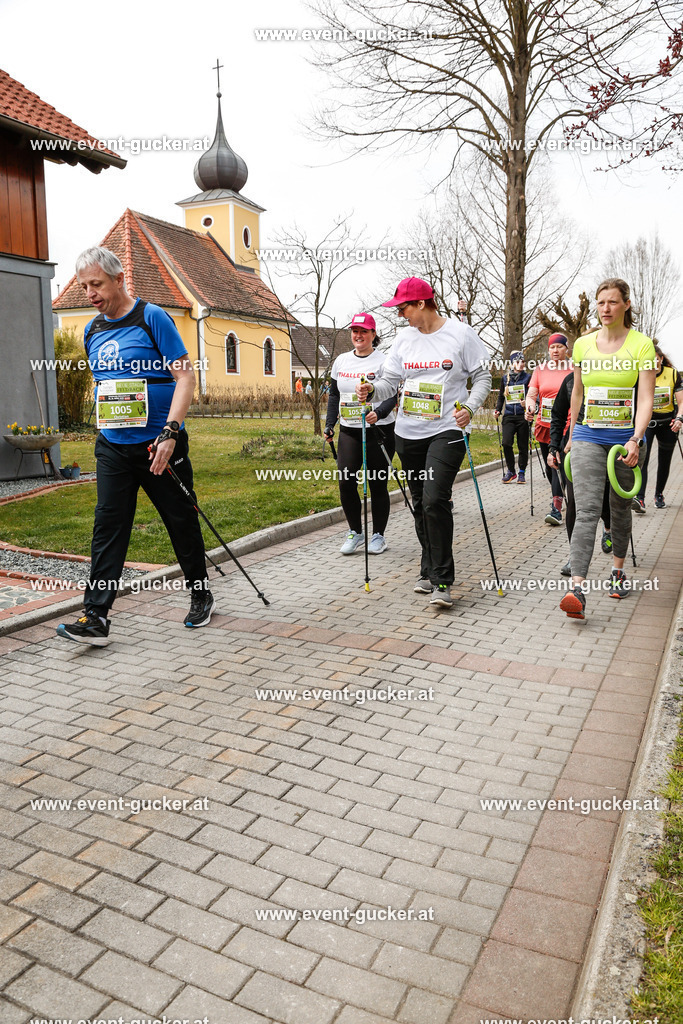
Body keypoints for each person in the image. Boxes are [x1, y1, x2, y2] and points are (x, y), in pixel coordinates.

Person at [56, 247, 214, 646]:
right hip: (113, 445)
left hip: (158, 445)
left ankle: (200, 592)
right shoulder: (93, 330)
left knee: (180, 518)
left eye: (96, 284)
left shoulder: (151, 317)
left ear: (118, 279)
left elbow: (185, 378)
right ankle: (96, 616)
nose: (89, 292)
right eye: (84, 286)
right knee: (108, 525)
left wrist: (171, 432)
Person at [356, 277, 491, 608]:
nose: (401, 315)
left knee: (434, 499)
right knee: (419, 502)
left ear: (421, 304)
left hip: (447, 429)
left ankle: (443, 580)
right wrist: (372, 391)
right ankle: (428, 568)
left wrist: (470, 408)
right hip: (408, 434)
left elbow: (483, 375)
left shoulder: (460, 334)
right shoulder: (404, 339)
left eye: (403, 308)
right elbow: (389, 381)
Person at [560, 278, 656, 620]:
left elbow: (645, 397)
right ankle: (577, 588)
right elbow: (577, 393)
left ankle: (617, 571)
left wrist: (636, 438)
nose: (605, 309)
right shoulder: (583, 345)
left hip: (625, 439)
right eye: (601, 302)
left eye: (613, 302)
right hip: (588, 435)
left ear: (626, 304)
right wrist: (572, 433)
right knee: (585, 510)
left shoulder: (641, 345)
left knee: (619, 510)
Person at [324, 312, 397, 555]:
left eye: (364, 331)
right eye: (355, 331)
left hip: (379, 430)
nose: (358, 335)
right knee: (346, 482)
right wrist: (330, 423)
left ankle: (378, 535)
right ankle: (356, 532)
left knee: (377, 483)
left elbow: (393, 394)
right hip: (350, 430)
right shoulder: (341, 361)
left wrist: (380, 412)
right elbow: (334, 395)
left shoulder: (384, 361)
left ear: (373, 334)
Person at [549, 369, 612, 576]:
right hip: (577, 444)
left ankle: (609, 528)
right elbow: (557, 415)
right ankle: (574, 558)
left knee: (605, 499)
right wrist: (553, 447)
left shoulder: (616, 375)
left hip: (611, 442)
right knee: (575, 502)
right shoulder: (570, 380)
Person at [525, 333, 572, 525]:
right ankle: (559, 494)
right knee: (550, 466)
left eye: (559, 347)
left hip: (566, 425)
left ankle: (556, 509)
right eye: (552, 347)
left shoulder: (574, 369)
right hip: (545, 425)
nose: (555, 350)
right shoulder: (540, 370)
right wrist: (530, 407)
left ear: (566, 349)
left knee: (557, 463)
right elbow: (531, 395)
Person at [631, 344, 683, 512]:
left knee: (665, 460)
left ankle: (659, 494)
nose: (653, 361)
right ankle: (640, 498)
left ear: (661, 358)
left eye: (656, 358)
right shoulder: (641, 375)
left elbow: (681, 402)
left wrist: (680, 418)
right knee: (642, 460)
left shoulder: (673, 374)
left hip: (668, 423)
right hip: (648, 423)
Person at [494, 350, 530, 483]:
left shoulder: (528, 378)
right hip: (509, 415)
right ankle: (511, 471)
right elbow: (500, 396)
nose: (521, 364)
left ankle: (521, 472)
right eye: (518, 362)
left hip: (522, 416)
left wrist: (527, 403)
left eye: (523, 362)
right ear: (512, 363)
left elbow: (533, 395)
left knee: (522, 446)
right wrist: (498, 410)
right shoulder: (505, 378)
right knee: (506, 443)